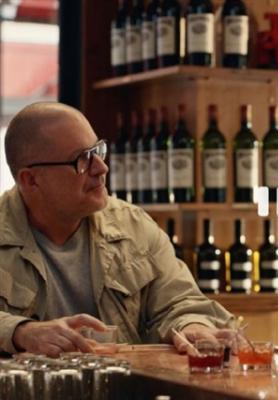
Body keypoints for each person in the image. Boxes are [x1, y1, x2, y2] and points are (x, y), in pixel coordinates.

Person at [0, 102, 236, 357]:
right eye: (82, 159)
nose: (102, 168)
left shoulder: (133, 226)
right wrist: (21, 332)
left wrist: (193, 327)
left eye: (98, 151)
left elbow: (180, 302)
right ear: (31, 180)